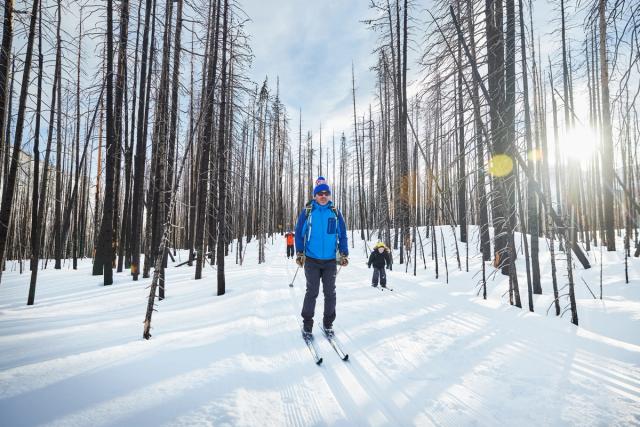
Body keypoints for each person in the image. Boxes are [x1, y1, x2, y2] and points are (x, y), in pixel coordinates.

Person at [295, 179, 348, 337]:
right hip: (311, 259)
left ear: (330, 195)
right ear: (315, 195)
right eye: (320, 193)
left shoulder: (335, 212)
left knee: (330, 292)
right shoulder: (308, 212)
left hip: (330, 260)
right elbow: (299, 233)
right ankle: (307, 323)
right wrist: (299, 252)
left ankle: (328, 323)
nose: (323, 196)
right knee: (312, 291)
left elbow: (342, 234)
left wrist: (344, 253)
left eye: (326, 193)